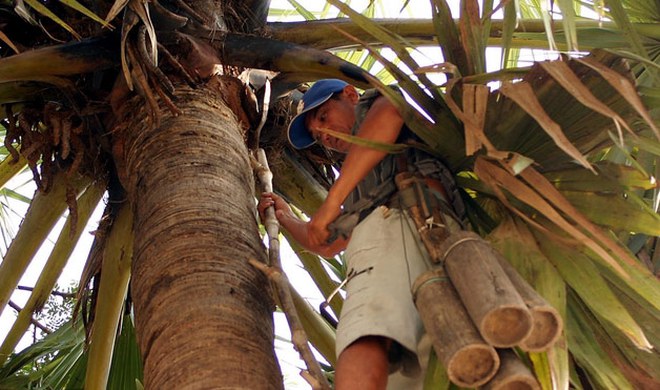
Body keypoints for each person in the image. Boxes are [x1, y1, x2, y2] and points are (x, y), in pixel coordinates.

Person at [258, 79, 463, 389]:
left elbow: (390, 113)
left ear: (350, 96)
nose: (324, 135)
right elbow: (327, 242)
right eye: (317, 135)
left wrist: (331, 203)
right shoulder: (365, 175)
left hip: (399, 225)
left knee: (367, 331)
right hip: (435, 243)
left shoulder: (375, 104)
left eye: (324, 117)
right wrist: (286, 218)